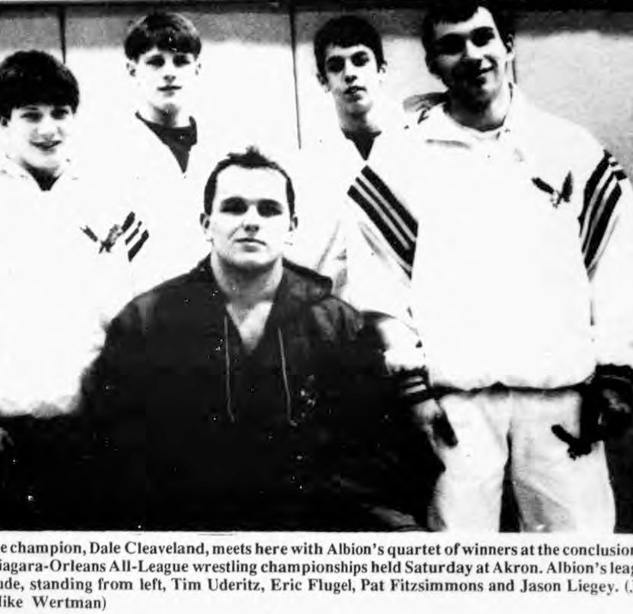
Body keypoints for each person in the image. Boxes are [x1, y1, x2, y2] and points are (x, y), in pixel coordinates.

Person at [405, 0, 633, 531]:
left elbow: (621, 265)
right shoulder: (402, 156)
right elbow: (377, 277)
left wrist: (617, 372)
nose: (472, 55)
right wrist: (411, 385)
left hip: (559, 396)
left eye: (483, 38)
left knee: (578, 556)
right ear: (432, 63)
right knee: (453, 558)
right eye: (452, 46)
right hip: (456, 400)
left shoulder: (571, 148)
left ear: (508, 46)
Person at [81, 147, 439, 530]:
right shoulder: (146, 322)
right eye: (234, 208)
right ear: (205, 224)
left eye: (269, 210)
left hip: (307, 530)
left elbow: (373, 453)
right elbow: (117, 454)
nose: (251, 222)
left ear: (292, 226)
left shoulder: (338, 326)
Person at [0, 50, 145, 529]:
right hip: (7, 437)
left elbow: (143, 310)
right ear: (5, 120)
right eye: (31, 116)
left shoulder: (109, 200)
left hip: (100, 430)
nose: (48, 129)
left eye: (60, 113)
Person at [290, 14, 454, 461]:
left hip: (428, 349)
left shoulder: (424, 150)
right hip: (345, 354)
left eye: (360, 60)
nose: (350, 74)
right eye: (336, 65)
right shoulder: (307, 167)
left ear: (381, 69)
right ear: (323, 81)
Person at [93, 11, 236, 294]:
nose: (169, 72)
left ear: (197, 68)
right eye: (156, 62)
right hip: (143, 306)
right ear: (132, 70)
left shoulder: (227, 150)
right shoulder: (108, 154)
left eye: (181, 61)